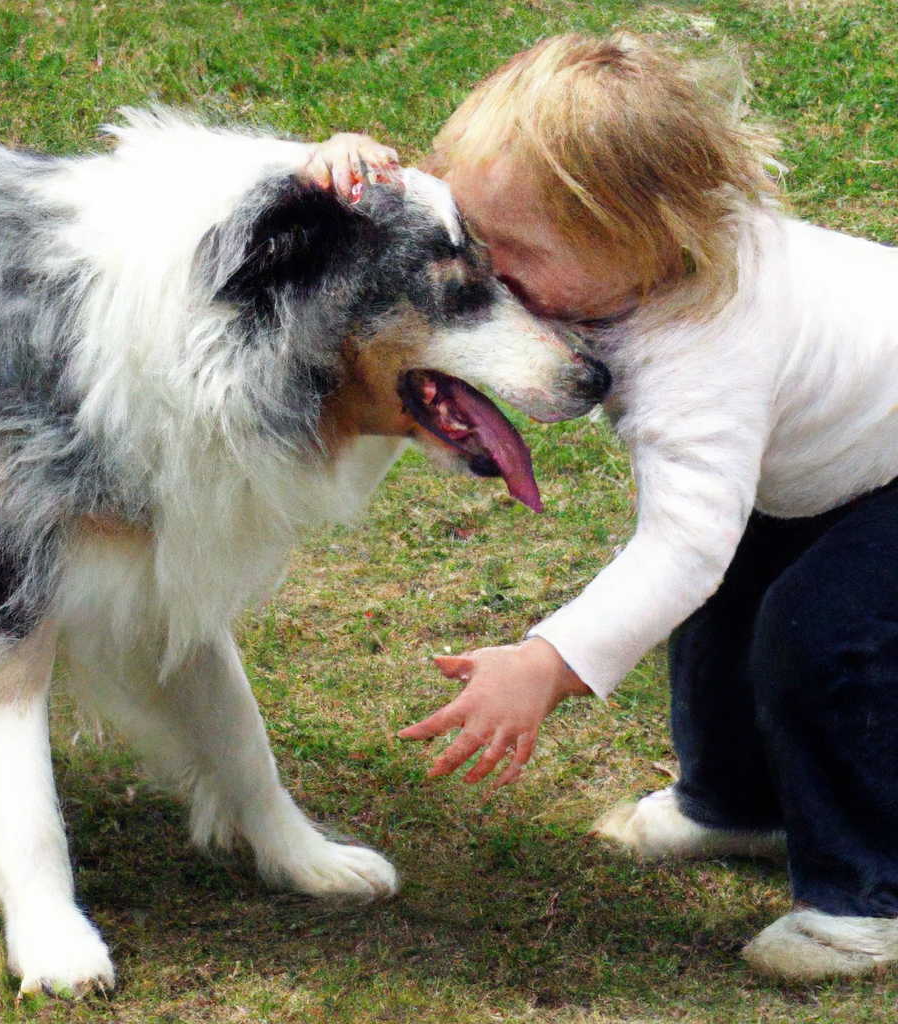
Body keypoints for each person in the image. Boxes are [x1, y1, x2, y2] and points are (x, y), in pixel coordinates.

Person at [311, 33, 898, 981]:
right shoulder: (604, 250)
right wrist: (342, 165)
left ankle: (866, 900)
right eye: (474, 233)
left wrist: (549, 662)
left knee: (822, 633)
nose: (485, 272)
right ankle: (736, 803)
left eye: (514, 253)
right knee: (722, 613)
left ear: (642, 242)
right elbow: (416, 202)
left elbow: (683, 547)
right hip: (834, 455)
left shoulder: (705, 348)